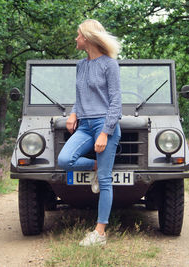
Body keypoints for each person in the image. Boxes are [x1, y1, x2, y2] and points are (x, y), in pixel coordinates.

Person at [57, 19, 122, 246]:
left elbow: (116, 102)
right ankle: (94, 166)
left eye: (78, 35)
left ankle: (100, 232)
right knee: (65, 159)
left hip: (105, 125)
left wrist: (105, 132)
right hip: (84, 125)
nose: (75, 39)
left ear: (87, 37)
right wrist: (74, 112)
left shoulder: (109, 64)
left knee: (105, 180)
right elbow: (81, 95)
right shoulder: (81, 65)